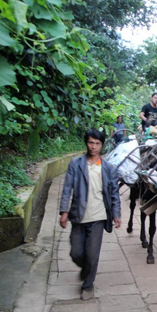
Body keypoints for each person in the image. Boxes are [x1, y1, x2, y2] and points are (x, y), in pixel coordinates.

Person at [59, 129, 122, 301]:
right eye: (91, 143)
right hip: (78, 215)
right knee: (76, 253)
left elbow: (114, 194)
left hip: (98, 217)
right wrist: (64, 211)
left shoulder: (108, 168)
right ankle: (85, 268)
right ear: (86, 143)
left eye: (97, 143)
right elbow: (67, 189)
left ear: (102, 145)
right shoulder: (76, 164)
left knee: (92, 255)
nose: (93, 147)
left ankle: (88, 285)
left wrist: (116, 214)